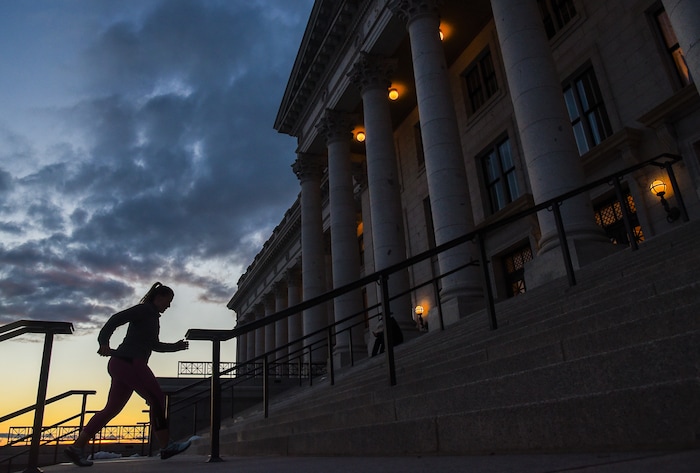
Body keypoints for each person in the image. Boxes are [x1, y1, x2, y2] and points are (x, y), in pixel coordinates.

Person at [64, 282, 191, 467]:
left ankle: (76, 447)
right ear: (159, 297)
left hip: (121, 364)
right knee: (157, 399)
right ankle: (166, 446)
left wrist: (175, 347)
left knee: (112, 409)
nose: (169, 306)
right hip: (130, 363)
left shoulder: (152, 316)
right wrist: (103, 342)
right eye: (168, 301)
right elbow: (116, 319)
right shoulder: (145, 310)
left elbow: (153, 345)